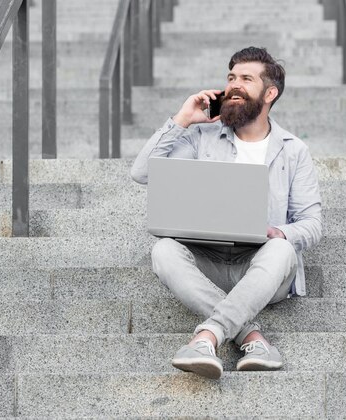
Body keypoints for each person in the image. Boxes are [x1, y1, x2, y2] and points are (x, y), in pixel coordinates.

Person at [130, 47, 322, 379]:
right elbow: (142, 173)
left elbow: (311, 224)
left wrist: (279, 232)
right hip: (208, 262)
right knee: (163, 250)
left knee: (282, 248)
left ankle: (208, 337)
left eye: (246, 79)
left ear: (270, 93)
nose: (234, 85)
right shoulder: (198, 138)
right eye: (231, 77)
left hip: (262, 268)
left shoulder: (293, 150)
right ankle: (252, 337)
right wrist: (182, 120)